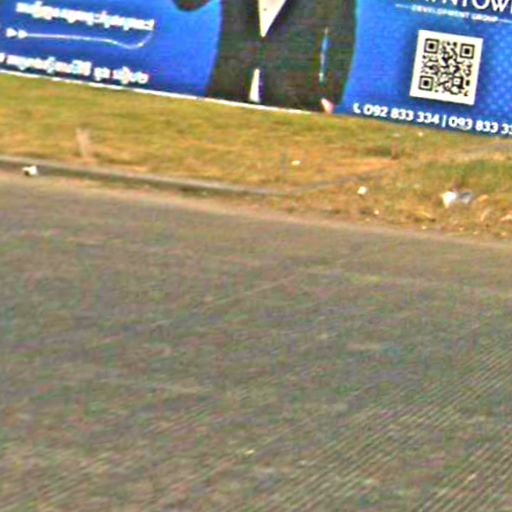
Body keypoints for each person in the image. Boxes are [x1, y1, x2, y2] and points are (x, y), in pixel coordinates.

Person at [173, 0, 356, 112]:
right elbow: (186, 3)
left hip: (294, 102)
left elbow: (342, 40)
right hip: (227, 96)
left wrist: (330, 96)